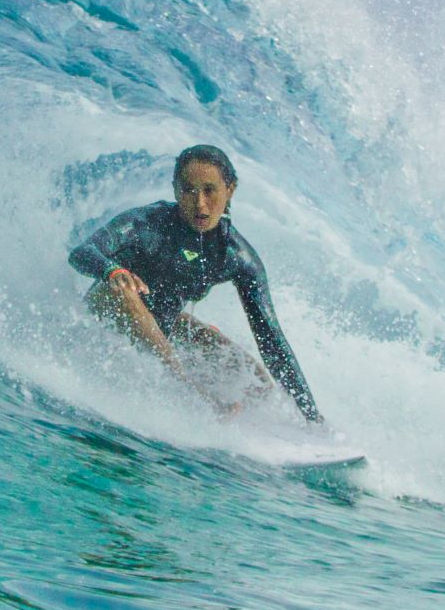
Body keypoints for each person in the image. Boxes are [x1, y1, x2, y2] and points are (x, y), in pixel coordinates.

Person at [68, 145, 323, 423]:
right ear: (175, 189)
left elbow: (272, 342)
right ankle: (193, 397)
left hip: (164, 328)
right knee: (126, 292)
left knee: (255, 381)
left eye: (210, 190)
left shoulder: (235, 256)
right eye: (188, 190)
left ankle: (293, 427)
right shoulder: (147, 223)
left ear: (230, 189)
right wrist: (112, 271)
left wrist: (313, 417)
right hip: (104, 316)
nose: (199, 203)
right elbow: (82, 253)